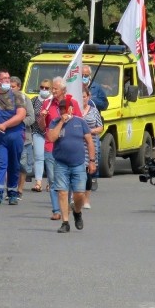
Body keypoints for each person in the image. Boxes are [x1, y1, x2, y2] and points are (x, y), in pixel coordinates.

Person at [47, 98, 96, 233]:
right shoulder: (55, 122)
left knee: (79, 194)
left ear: (71, 109)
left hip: (78, 163)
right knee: (62, 192)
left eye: (65, 108)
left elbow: (89, 142)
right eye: (61, 109)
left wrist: (92, 161)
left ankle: (77, 211)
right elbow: (51, 138)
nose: (62, 111)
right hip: (61, 163)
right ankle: (65, 222)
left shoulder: (80, 122)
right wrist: (62, 121)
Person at [38, 77, 83, 220]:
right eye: (52, 89)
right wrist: (41, 117)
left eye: (55, 89)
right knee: (53, 179)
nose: (52, 91)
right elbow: (42, 127)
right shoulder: (47, 103)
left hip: (68, 147)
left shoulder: (73, 103)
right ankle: (57, 209)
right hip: (51, 146)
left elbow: (80, 123)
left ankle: (66, 207)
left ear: (63, 90)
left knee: (67, 182)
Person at [0, 69, 27, 206]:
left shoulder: (17, 95)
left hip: (14, 134)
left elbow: (21, 115)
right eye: (5, 78)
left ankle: (13, 193)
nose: (8, 80)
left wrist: (5, 125)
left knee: (14, 164)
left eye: (9, 78)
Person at [10, 76, 35, 196]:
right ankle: (11, 188)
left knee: (22, 164)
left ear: (19, 87)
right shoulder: (4, 99)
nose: (10, 89)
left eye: (13, 87)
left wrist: (18, 123)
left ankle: (19, 189)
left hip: (23, 137)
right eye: (9, 86)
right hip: (8, 136)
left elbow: (31, 117)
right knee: (11, 163)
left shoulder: (25, 99)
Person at [80, 86, 103, 209]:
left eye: (84, 97)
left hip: (90, 145)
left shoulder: (94, 111)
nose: (83, 99)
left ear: (88, 97)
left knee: (88, 174)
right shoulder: (75, 110)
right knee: (78, 172)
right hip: (78, 145)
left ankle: (86, 200)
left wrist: (91, 131)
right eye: (81, 97)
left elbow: (100, 127)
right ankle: (77, 196)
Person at [29, 78, 51, 193]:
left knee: (51, 158)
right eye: (42, 87)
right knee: (38, 157)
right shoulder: (34, 101)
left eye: (47, 88)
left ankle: (51, 183)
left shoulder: (53, 101)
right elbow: (30, 116)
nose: (43, 90)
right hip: (37, 132)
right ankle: (38, 182)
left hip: (51, 133)